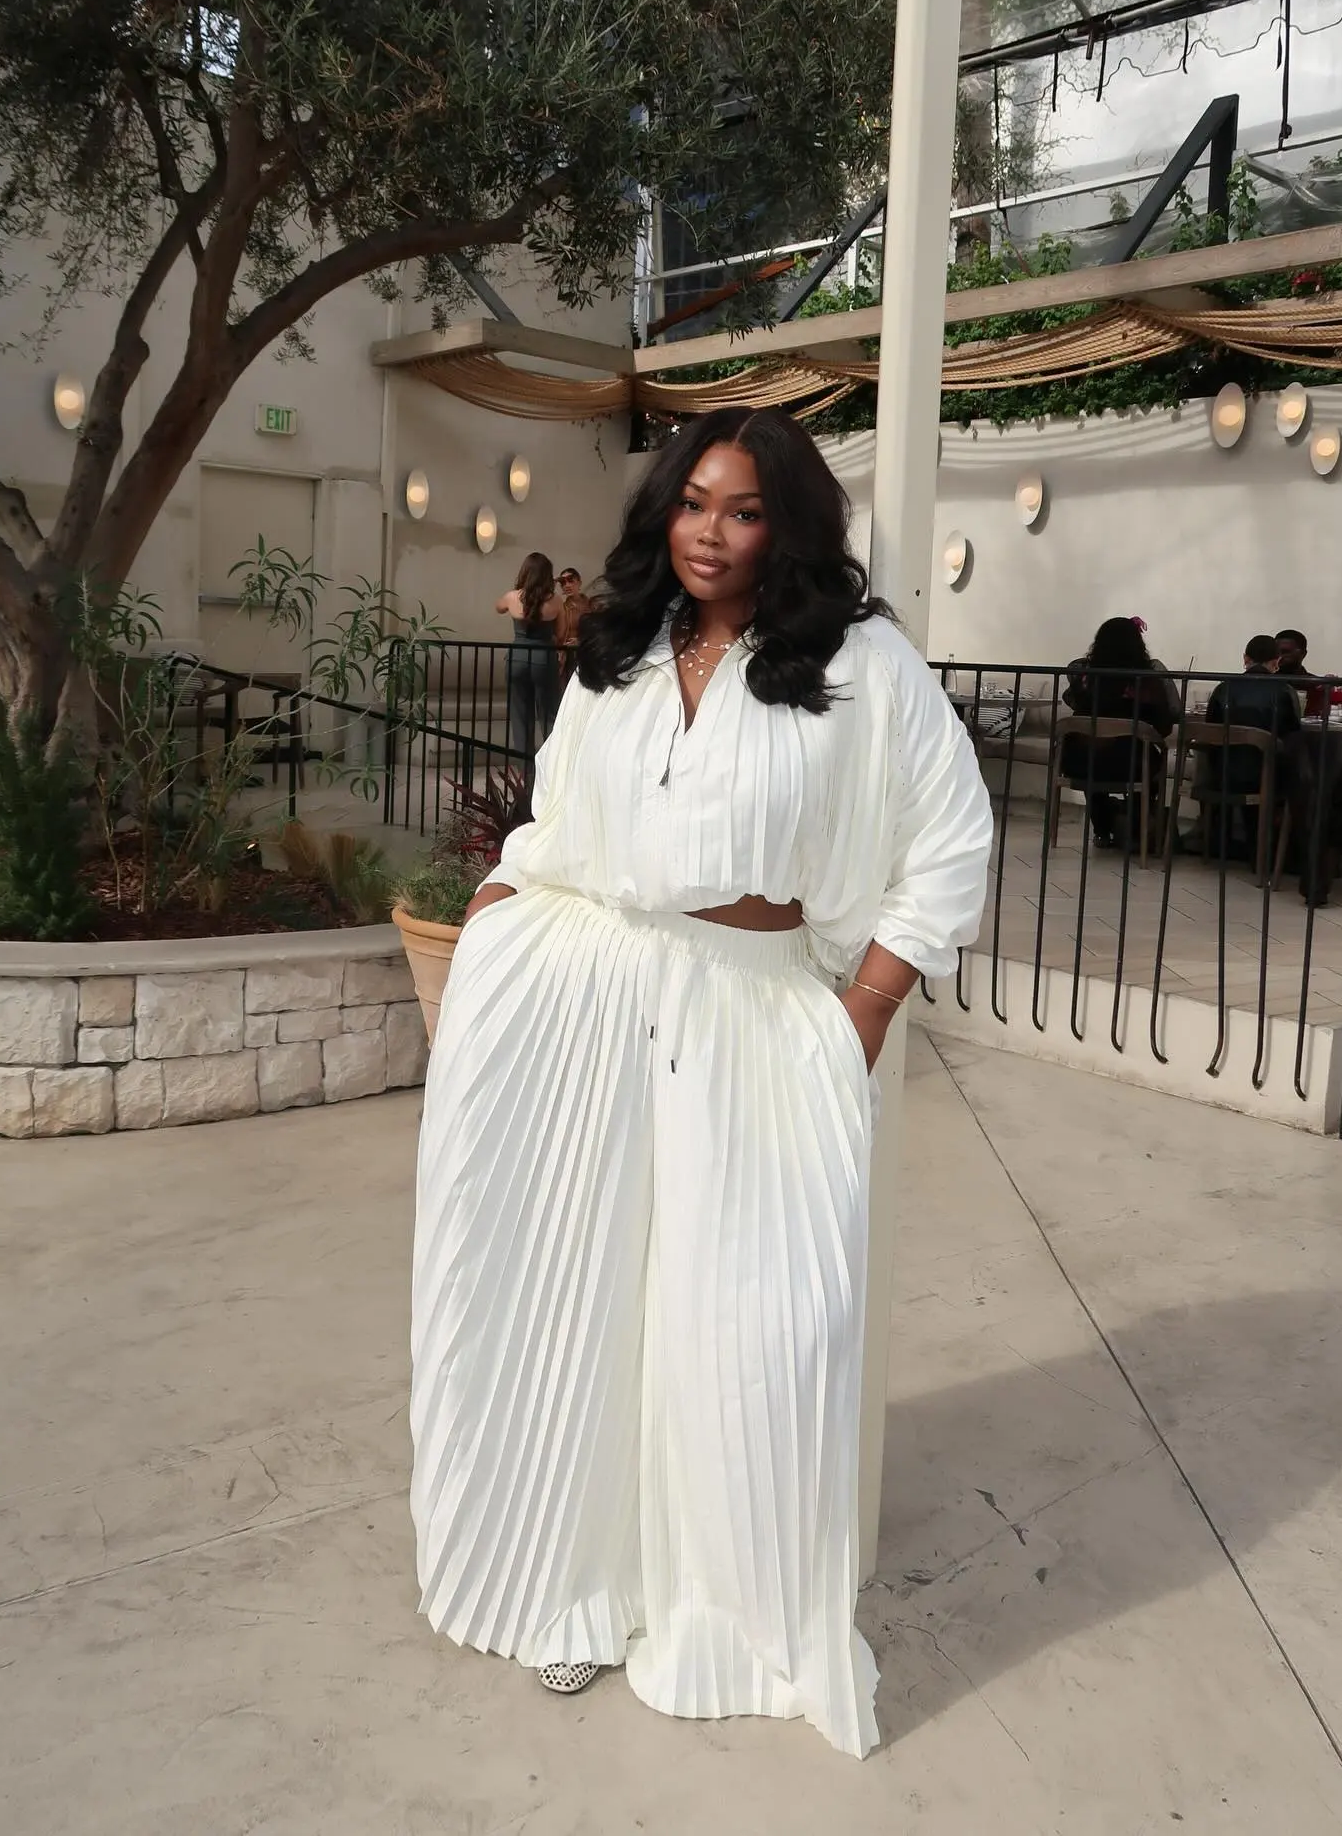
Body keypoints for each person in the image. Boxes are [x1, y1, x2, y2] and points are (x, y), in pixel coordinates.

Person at [410, 407, 993, 1759]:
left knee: (745, 1333)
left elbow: (950, 841)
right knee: (574, 1297)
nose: (711, 534)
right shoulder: (620, 647)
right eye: (691, 503)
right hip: (588, 994)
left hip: (753, 1007)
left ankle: (718, 1615)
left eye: (742, 510)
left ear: (789, 524)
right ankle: (572, 1585)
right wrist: (499, 913)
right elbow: (556, 814)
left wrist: (861, 1013)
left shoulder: (861, 662)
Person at [1062, 617, 1179, 848]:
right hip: (1130, 764)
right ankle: (1137, 829)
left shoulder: (1085, 680)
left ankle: (1102, 830)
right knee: (1144, 758)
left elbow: (1072, 702)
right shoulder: (1147, 681)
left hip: (1079, 762)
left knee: (1092, 749)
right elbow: (1165, 725)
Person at [1197, 635, 1300, 859]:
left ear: (1245, 659)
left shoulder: (1223, 689)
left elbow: (1210, 730)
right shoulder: (1284, 691)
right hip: (1266, 777)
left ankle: (1217, 844)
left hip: (1222, 775)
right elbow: (1294, 735)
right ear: (1276, 662)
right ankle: (1271, 851)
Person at [496, 552, 560, 757]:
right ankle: (551, 765)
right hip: (544, 658)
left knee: (520, 716)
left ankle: (525, 770)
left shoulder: (512, 597)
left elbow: (498, 607)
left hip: (517, 657)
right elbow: (560, 633)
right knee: (549, 714)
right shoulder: (555, 601)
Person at [1275, 627, 1342, 721]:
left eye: (1285, 652)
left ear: (1303, 654)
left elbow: (1320, 720)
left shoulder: (1316, 685)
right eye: (1276, 653)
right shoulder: (1267, 680)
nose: (1279, 657)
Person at [554, 566, 595, 683]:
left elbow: (599, 631)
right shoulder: (562, 608)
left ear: (579, 582)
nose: (567, 585)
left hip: (588, 654)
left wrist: (580, 641)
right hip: (568, 657)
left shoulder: (592, 606)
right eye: (563, 583)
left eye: (571, 580)